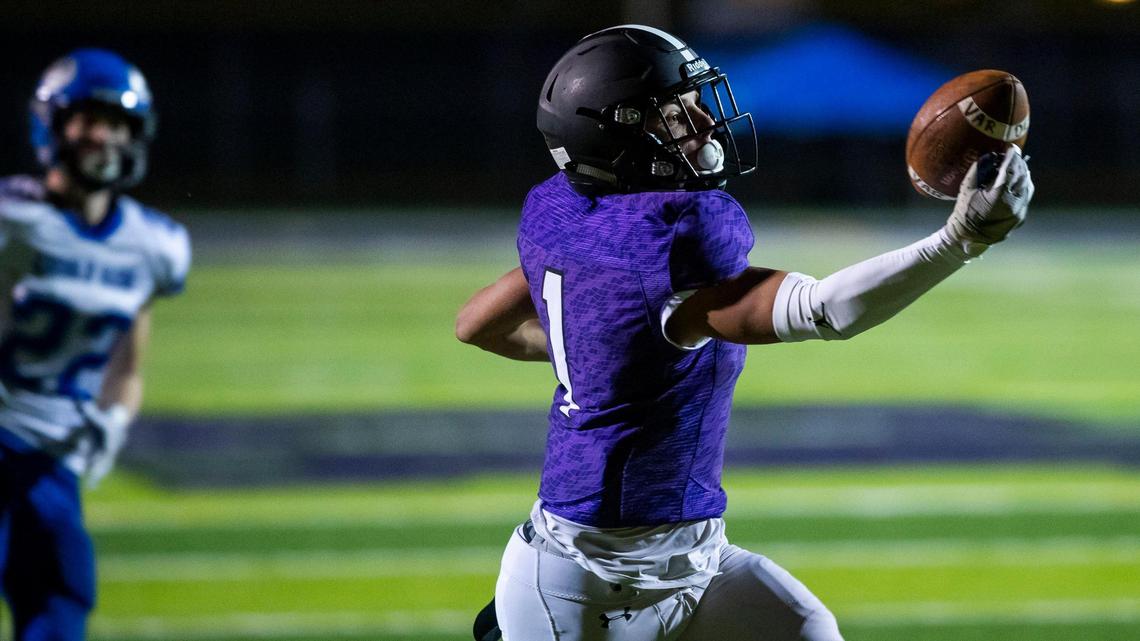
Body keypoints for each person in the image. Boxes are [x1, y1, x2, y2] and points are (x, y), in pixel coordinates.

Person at [457, 24, 1032, 641]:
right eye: (677, 111)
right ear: (619, 132)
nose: (705, 121)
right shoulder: (666, 239)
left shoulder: (573, 216)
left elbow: (474, 325)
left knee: (810, 629)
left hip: (697, 557)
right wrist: (958, 240)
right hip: (586, 577)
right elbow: (822, 310)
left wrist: (605, 349)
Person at [0, 48, 190, 640]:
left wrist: (113, 420)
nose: (102, 137)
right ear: (52, 125)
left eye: (116, 123)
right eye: (87, 120)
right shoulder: (12, 219)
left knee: (63, 598)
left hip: (53, 454)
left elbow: (128, 366)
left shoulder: (152, 245)